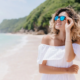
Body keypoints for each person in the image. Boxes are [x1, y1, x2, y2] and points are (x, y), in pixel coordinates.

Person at [37, 7, 80, 80]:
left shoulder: (76, 41)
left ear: (70, 21)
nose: (58, 19)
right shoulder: (47, 39)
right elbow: (41, 68)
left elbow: (69, 58)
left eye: (62, 17)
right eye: (57, 17)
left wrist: (68, 31)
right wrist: (67, 70)